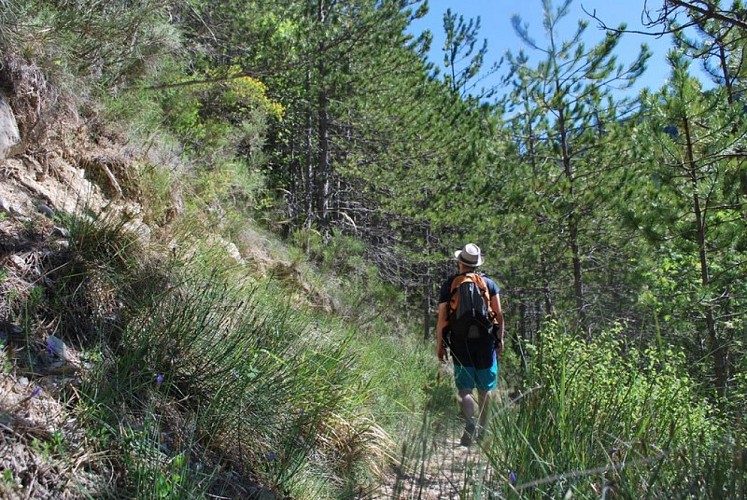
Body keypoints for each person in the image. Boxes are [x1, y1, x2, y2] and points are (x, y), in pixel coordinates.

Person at [436, 243, 504, 446]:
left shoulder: (450, 284)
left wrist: (440, 345)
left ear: (460, 262)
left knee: (465, 389)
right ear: (477, 263)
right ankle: (483, 431)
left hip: (459, 341)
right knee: (485, 389)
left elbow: (442, 319)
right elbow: (498, 315)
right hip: (485, 342)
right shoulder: (489, 284)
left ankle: (470, 424)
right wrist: (500, 339)